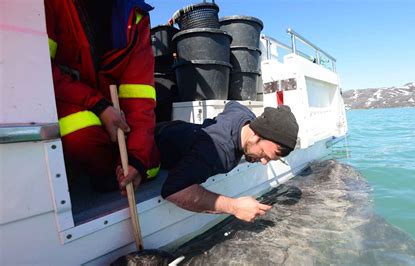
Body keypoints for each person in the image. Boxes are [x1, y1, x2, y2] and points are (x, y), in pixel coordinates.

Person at [45, 0, 160, 191]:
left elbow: (139, 96)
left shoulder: (135, 13)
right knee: (80, 134)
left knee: (150, 164)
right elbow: (39, 69)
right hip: (69, 100)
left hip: (117, 116)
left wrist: (136, 159)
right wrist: (99, 105)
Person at [118, 101, 299, 222]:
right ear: (257, 135)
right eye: (265, 155)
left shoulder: (244, 117)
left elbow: (232, 105)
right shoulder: (218, 152)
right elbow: (173, 189)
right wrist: (234, 206)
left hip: (169, 127)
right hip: (148, 145)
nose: (264, 162)